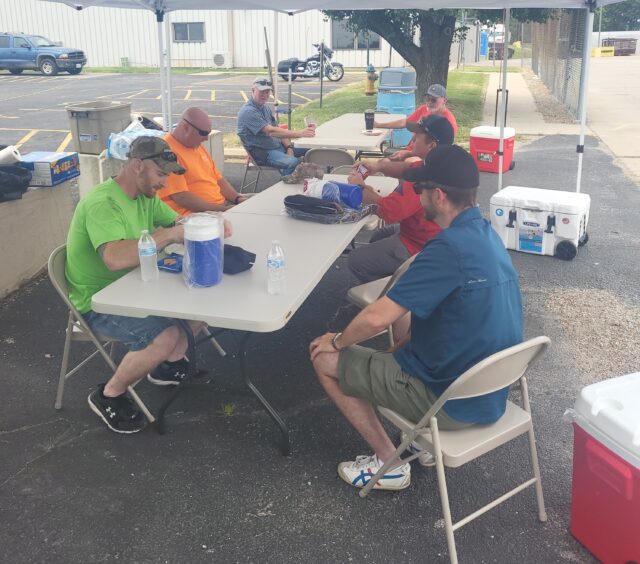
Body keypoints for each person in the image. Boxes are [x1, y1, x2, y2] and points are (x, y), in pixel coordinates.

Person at [310, 145, 523, 491]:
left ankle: (388, 464)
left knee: (324, 357)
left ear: (438, 195)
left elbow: (379, 317)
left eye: (418, 189)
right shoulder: (487, 238)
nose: (415, 194)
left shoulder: (446, 248)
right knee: (389, 353)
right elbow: (447, 321)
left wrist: (336, 341)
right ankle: (420, 444)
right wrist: (391, 355)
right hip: (491, 393)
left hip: (449, 402)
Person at [65, 136, 232, 434]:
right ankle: (108, 394)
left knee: (207, 302)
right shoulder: (102, 203)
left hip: (138, 288)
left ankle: (166, 365)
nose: (163, 184)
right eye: (160, 174)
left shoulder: (146, 197)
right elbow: (114, 258)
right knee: (165, 335)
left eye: (167, 176)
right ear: (137, 165)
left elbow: (178, 223)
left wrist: (211, 220)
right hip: (99, 302)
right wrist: (168, 237)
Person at [346, 115, 454, 283]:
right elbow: (405, 168)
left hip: (420, 245)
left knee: (356, 260)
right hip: (428, 235)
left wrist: (360, 189)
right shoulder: (437, 163)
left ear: (432, 145)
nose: (413, 138)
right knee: (377, 237)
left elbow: (390, 212)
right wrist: (379, 166)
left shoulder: (425, 178)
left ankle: (395, 296)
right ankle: (389, 279)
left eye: (417, 136)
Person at [158, 107, 248, 215]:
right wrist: (225, 210)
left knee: (262, 202)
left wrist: (237, 198)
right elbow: (182, 197)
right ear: (185, 127)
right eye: (203, 133)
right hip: (198, 214)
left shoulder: (195, 145)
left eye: (208, 133)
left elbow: (218, 179)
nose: (206, 138)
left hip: (221, 205)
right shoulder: (167, 152)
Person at [237, 77, 315, 176]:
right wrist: (300, 133)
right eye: (262, 92)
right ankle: (287, 186)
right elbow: (271, 131)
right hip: (264, 152)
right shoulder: (248, 112)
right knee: (293, 162)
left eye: (267, 91)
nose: (265, 95)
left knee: (312, 150)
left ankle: (308, 180)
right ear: (253, 91)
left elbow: (278, 130)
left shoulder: (265, 108)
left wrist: (289, 147)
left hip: (278, 146)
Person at [374, 84, 458, 162]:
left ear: (444, 100)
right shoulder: (424, 109)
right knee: (382, 163)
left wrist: (408, 154)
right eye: (427, 98)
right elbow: (405, 123)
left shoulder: (448, 124)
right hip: (410, 151)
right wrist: (379, 125)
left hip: (423, 158)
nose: (429, 102)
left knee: (400, 164)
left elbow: (439, 153)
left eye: (433, 100)